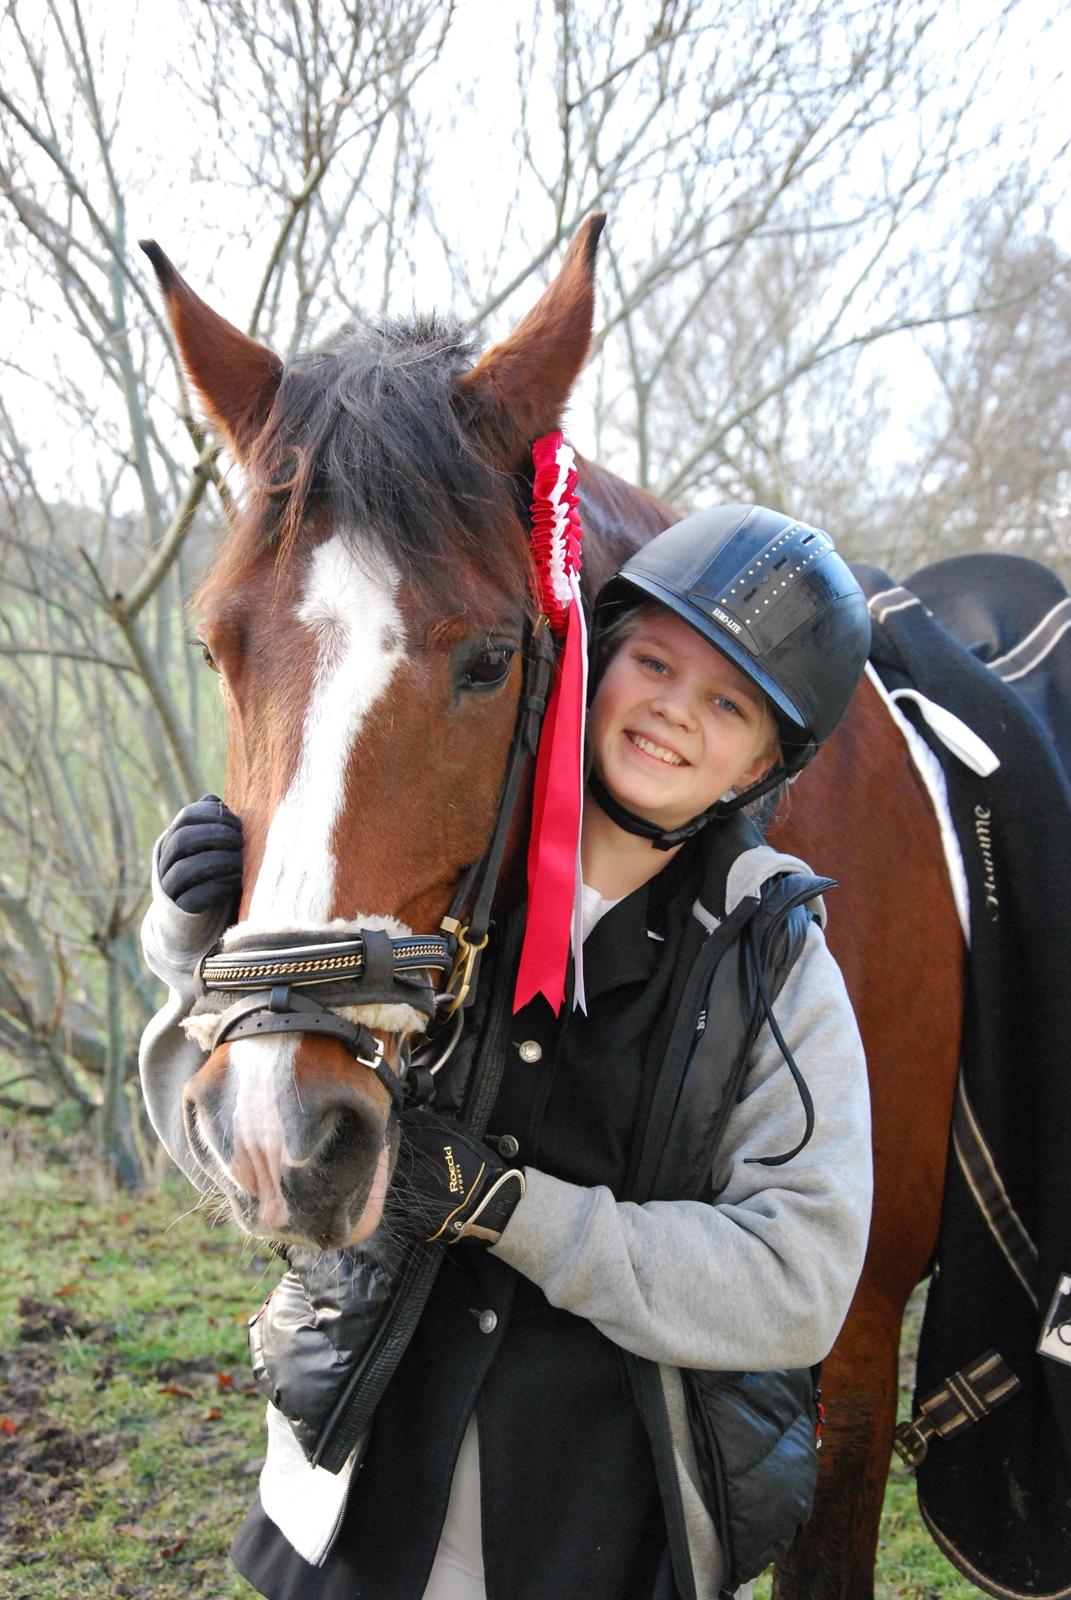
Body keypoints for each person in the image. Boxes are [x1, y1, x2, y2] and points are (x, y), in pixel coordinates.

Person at [140, 504, 873, 1600]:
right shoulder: (434, 865)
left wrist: (514, 1212)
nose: (675, 710)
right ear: (596, 656)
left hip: (602, 1538)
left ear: (762, 763)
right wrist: (196, 947)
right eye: (656, 662)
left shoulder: (775, 964)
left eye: (727, 703)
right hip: (358, 1510)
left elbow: (795, 1285)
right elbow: (237, 1152)